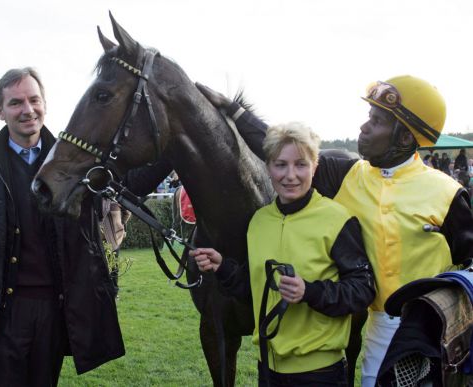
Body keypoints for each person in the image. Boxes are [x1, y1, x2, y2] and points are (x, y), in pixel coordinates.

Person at [196, 75, 473, 386]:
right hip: (378, 327)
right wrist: (234, 111)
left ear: (405, 139)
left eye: (377, 121)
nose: (364, 127)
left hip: (430, 327)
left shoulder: (448, 193)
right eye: (369, 117)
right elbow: (284, 151)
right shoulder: (350, 174)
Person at [0, 67, 124, 386]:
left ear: (45, 103)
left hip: (53, 312)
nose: (27, 110)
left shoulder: (76, 166)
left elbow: (126, 181)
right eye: (15, 103)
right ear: (0, 111)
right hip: (0, 314)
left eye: (34, 99)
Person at [191, 122, 375, 386]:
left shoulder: (337, 219)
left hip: (321, 376)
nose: (291, 175)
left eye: (301, 164)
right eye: (281, 165)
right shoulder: (258, 222)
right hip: (267, 372)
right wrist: (224, 269)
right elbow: (257, 292)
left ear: (315, 167)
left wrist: (308, 292)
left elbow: (363, 290)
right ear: (268, 168)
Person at [99, 197, 131, 296]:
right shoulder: (96, 200)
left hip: (113, 239)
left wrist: (121, 226)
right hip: (98, 240)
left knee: (113, 267)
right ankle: (102, 291)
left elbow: (127, 213)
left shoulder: (116, 199)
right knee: (100, 266)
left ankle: (114, 292)